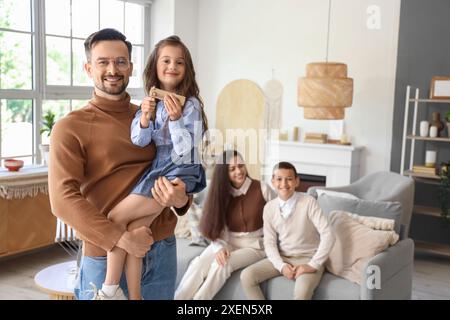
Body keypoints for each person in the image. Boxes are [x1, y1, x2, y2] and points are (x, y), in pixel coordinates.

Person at [48, 28, 192, 300]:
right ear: (89, 68)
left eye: (120, 62)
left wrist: (182, 198)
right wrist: (120, 238)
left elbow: (179, 166)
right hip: (105, 256)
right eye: (103, 62)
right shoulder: (69, 127)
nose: (112, 69)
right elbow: (62, 200)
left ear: (131, 67)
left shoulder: (152, 117)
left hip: (161, 250)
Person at [100, 35, 208, 300]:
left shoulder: (191, 105)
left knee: (115, 218)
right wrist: (145, 116)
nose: (172, 66)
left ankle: (109, 290)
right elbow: (139, 140)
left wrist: (175, 119)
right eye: (166, 60)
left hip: (180, 167)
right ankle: (133, 297)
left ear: (187, 69)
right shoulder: (150, 101)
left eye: (179, 62)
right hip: (158, 166)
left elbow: (186, 150)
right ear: (155, 67)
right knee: (135, 232)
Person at [174, 150, 276, 300]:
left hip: (255, 246)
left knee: (222, 265)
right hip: (226, 241)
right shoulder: (221, 192)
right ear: (224, 173)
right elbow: (214, 226)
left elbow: (278, 218)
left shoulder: (262, 188)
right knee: (198, 264)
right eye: (232, 169)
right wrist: (218, 247)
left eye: (241, 166)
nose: (239, 171)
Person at [240, 162, 335, 300]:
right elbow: (270, 242)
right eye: (279, 179)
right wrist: (281, 266)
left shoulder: (309, 202)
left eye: (289, 179)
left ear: (297, 181)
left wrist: (312, 265)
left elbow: (329, 234)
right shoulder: (269, 208)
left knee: (301, 293)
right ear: (273, 181)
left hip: (308, 258)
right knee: (247, 276)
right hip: (283, 257)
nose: (284, 183)